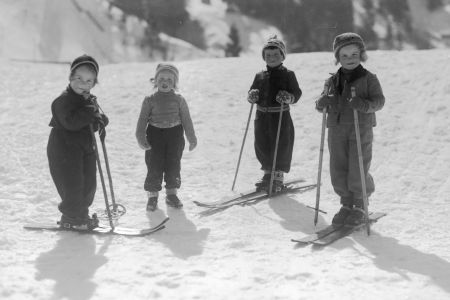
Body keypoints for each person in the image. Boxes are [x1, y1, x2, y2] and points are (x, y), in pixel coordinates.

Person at [315, 32, 385, 226]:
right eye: (344, 55)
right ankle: (347, 203)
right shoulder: (331, 81)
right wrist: (322, 102)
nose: (349, 59)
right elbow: (321, 103)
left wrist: (362, 104)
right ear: (337, 58)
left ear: (361, 55)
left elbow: (379, 101)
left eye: (354, 54)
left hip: (360, 127)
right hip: (336, 128)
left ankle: (360, 204)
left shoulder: (369, 78)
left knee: (358, 166)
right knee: (338, 167)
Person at [47, 54, 108, 230]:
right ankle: (71, 217)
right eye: (79, 78)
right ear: (70, 77)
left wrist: (100, 120)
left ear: (94, 83)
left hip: (85, 147)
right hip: (64, 149)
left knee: (89, 183)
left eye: (89, 81)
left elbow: (88, 124)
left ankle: (81, 214)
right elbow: (70, 122)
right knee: (72, 183)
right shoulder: (62, 101)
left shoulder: (88, 100)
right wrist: (89, 114)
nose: (83, 84)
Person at [136, 63, 197, 211]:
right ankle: (152, 196)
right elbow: (142, 120)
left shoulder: (179, 100)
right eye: (162, 78)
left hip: (175, 135)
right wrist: (140, 137)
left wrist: (192, 138)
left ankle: (171, 194)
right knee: (154, 165)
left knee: (173, 164)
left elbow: (187, 120)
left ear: (175, 83)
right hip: (154, 135)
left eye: (170, 80)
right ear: (155, 80)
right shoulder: (149, 99)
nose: (165, 82)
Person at [247, 35, 302, 192]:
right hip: (262, 116)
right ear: (264, 57)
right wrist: (252, 95)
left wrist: (289, 97)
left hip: (280, 116)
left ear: (282, 56)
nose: (272, 58)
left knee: (281, 144)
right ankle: (267, 174)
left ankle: (277, 177)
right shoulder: (260, 75)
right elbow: (252, 90)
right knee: (262, 144)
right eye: (268, 55)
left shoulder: (288, 74)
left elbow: (296, 93)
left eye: (276, 55)